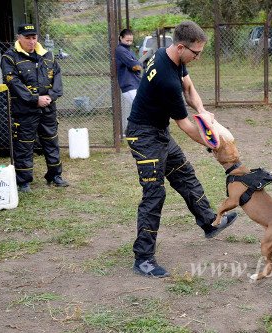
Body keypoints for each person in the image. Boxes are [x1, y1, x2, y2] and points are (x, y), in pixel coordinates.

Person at [126, 21, 238, 278]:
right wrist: (215, 144)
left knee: (184, 174)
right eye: (196, 53)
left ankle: (209, 223)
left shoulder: (171, 55)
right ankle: (143, 258)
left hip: (158, 132)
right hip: (143, 137)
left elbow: (190, 87)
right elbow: (186, 126)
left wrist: (202, 111)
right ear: (180, 47)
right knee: (154, 195)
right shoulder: (166, 80)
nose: (198, 57)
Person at [1, 24, 69, 193]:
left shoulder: (47, 55)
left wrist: (51, 96)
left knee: (51, 141)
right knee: (24, 145)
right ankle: (23, 182)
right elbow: (14, 83)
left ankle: (55, 175)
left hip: (48, 108)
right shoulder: (9, 58)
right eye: (27, 38)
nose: (31, 41)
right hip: (24, 110)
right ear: (19, 38)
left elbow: (58, 79)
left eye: (34, 37)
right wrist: (34, 100)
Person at [116, 28, 142, 137]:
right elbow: (135, 66)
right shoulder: (120, 50)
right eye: (127, 40)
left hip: (135, 83)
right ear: (121, 38)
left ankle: (129, 131)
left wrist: (138, 65)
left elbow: (138, 65)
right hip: (128, 85)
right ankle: (132, 132)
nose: (129, 43)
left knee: (138, 108)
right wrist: (138, 65)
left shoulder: (129, 51)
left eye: (131, 41)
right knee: (139, 107)